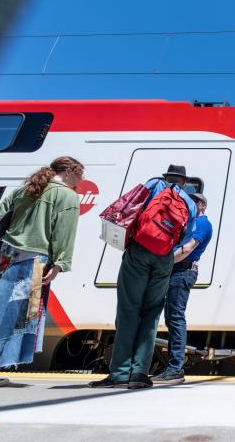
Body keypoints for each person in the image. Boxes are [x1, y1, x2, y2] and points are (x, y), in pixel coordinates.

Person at [0, 156, 83, 388]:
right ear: (69, 171)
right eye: (79, 175)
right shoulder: (66, 196)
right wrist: (59, 264)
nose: (80, 181)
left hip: (7, 258)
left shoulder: (23, 191)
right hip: (35, 262)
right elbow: (64, 233)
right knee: (15, 317)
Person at [89, 165, 197, 389]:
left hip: (139, 252)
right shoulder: (190, 202)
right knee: (152, 314)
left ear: (166, 176)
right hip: (164, 258)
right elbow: (187, 233)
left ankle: (119, 373)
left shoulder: (153, 184)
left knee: (129, 310)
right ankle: (139, 373)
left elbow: (128, 207)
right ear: (184, 181)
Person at [152, 192, 213, 385]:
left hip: (182, 270)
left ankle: (175, 369)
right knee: (172, 317)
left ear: (203, 206)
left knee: (175, 317)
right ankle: (173, 368)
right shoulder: (189, 223)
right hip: (178, 270)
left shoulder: (202, 224)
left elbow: (187, 249)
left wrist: (163, 263)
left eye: (195, 202)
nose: (191, 204)